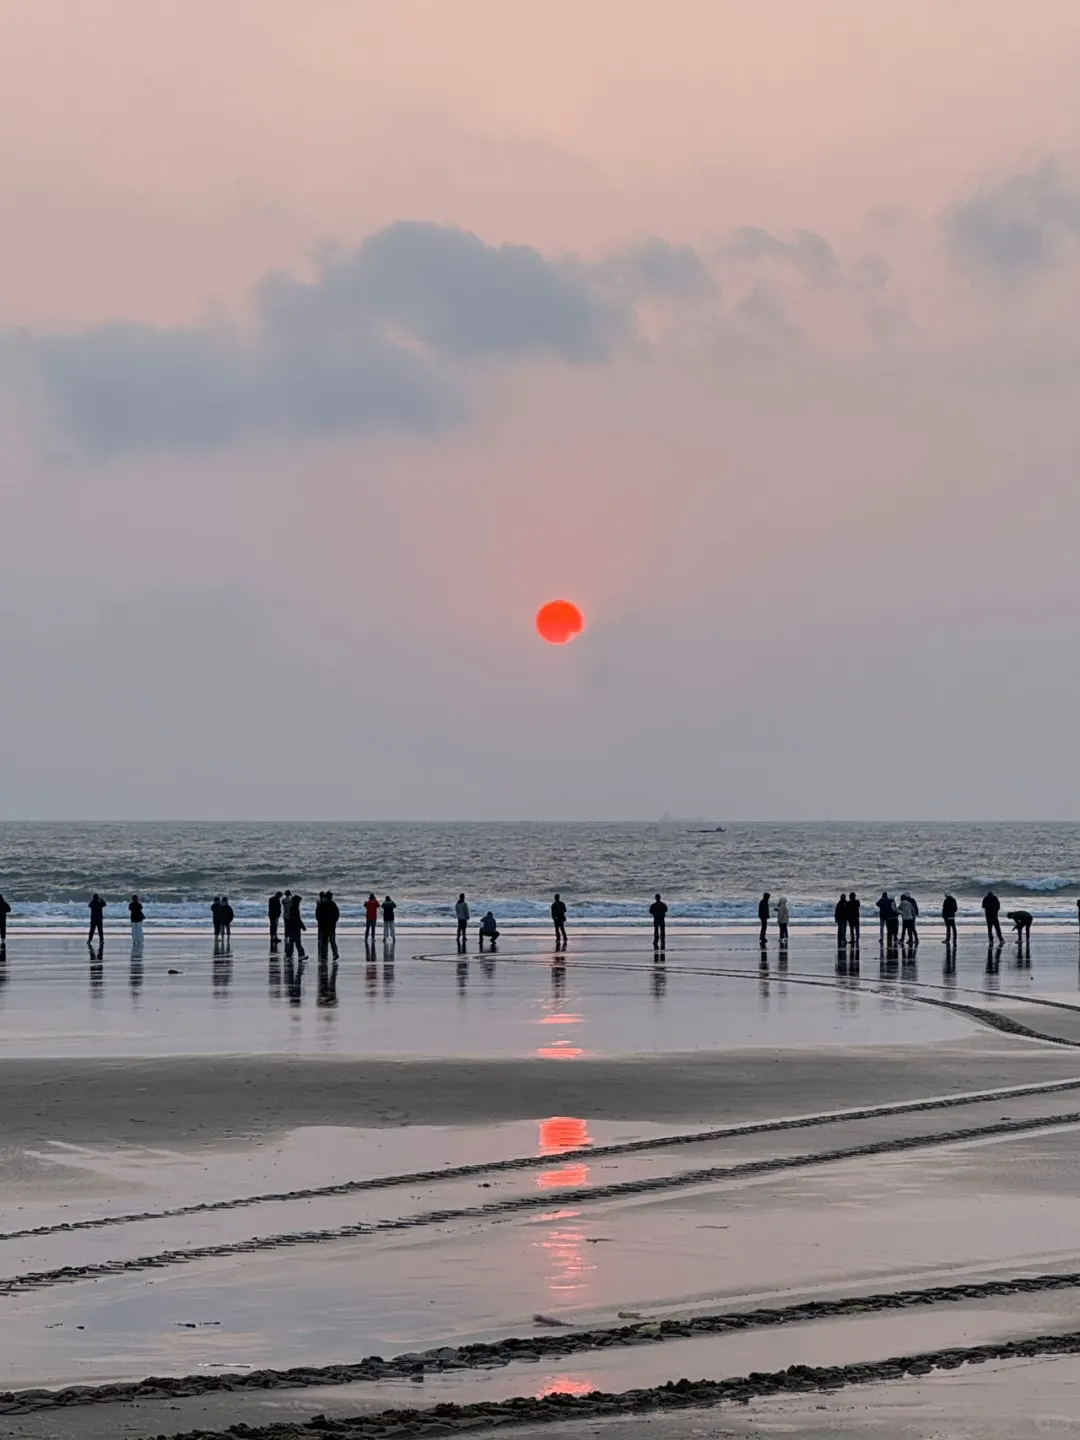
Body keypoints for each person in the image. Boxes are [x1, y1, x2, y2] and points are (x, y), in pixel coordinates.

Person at [284, 893, 307, 960]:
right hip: (295, 928)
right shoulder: (295, 909)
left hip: (292, 928)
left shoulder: (292, 908)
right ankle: (301, 955)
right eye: (299, 901)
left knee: (292, 942)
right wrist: (302, 926)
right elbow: (297, 919)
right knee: (297, 942)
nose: (299, 903)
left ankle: (288, 955)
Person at [323, 890, 340, 961]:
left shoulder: (322, 904)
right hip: (331, 925)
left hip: (325, 925)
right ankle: (335, 953)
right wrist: (334, 921)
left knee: (324, 941)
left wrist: (320, 922)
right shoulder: (333, 904)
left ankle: (324, 954)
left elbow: (318, 914)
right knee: (332, 940)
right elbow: (337, 914)